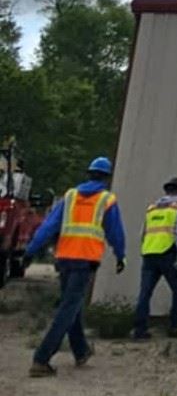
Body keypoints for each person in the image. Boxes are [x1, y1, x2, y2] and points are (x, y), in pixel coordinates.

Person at [26, 156, 127, 376]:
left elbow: (49, 226)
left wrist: (30, 250)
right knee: (68, 309)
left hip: (64, 259)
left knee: (73, 305)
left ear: (89, 173)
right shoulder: (106, 200)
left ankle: (81, 351)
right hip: (85, 261)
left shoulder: (70, 196)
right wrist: (121, 256)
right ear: (107, 178)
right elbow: (115, 233)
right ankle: (41, 359)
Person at [132, 176, 177, 338]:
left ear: (167, 190)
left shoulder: (152, 208)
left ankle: (140, 330)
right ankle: (175, 326)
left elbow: (143, 232)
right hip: (168, 253)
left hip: (149, 253)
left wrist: (145, 249)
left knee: (145, 293)